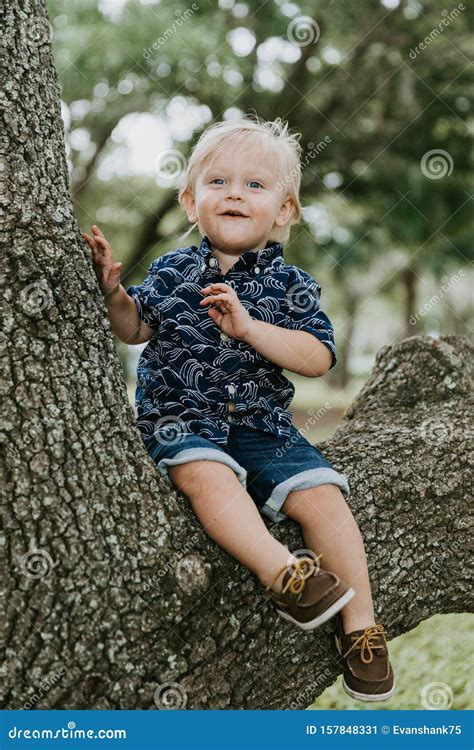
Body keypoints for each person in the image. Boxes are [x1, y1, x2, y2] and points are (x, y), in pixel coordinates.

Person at [83, 115, 394, 702]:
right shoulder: (173, 271)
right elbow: (134, 327)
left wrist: (251, 328)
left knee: (323, 499)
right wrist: (112, 293)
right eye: (218, 181)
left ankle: (361, 629)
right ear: (190, 200)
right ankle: (284, 574)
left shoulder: (293, 285)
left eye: (255, 185)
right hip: (180, 416)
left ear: (285, 211)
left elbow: (316, 356)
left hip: (262, 424)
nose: (234, 192)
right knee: (206, 475)